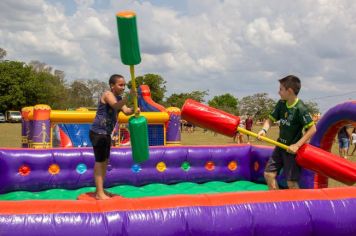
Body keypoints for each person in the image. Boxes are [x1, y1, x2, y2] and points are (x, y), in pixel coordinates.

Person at [257, 75, 316, 190]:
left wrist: (297, 145)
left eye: (281, 89)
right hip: (280, 146)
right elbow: (270, 120)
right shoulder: (281, 104)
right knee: (269, 174)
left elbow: (312, 128)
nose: (278, 92)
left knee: (291, 183)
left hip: (291, 150)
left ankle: (299, 206)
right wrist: (264, 130)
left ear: (289, 91)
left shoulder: (300, 108)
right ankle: (277, 203)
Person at [89, 74, 137, 200]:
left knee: (105, 161)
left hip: (106, 134)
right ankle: (99, 193)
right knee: (100, 162)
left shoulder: (119, 97)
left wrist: (134, 110)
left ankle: (100, 189)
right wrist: (129, 97)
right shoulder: (108, 94)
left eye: (124, 85)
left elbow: (126, 111)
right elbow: (116, 106)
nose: (123, 87)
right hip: (98, 133)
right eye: (120, 85)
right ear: (112, 85)